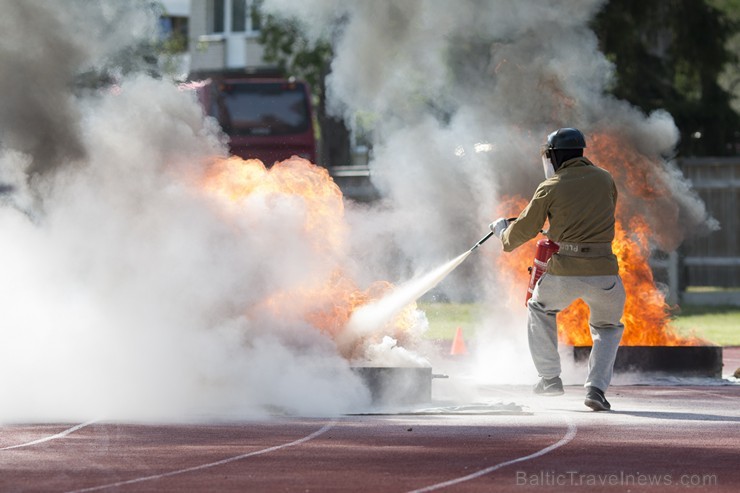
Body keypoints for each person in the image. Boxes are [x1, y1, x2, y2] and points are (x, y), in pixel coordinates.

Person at [489, 127, 625, 411]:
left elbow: (521, 231)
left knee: (539, 308)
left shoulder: (550, 186)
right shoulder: (605, 179)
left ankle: (550, 379)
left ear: (553, 156)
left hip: (564, 271)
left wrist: (503, 232)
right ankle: (596, 390)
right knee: (607, 327)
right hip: (605, 274)